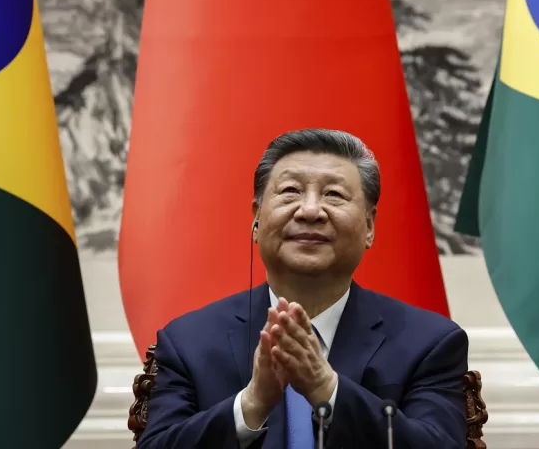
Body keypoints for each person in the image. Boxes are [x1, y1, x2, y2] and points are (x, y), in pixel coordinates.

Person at [136, 128, 469, 449]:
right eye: (291, 191)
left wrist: (327, 389)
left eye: (334, 195)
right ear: (257, 218)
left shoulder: (429, 343)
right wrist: (251, 404)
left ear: (369, 226)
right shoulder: (188, 342)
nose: (310, 211)